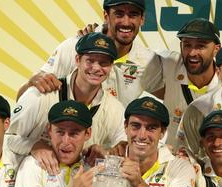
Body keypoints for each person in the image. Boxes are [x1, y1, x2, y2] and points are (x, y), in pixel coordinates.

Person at [7, 32, 126, 175]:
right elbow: (6, 138)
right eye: (90, 61)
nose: (96, 68)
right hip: (28, 181)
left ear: (111, 66)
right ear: (77, 60)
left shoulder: (114, 109)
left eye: (104, 63)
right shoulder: (40, 95)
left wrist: (106, 153)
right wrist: (32, 145)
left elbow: (125, 151)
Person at [19, 0, 158, 107]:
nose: (126, 22)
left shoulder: (147, 61)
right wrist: (31, 84)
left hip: (112, 142)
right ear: (106, 16)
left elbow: (173, 92)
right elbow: (22, 100)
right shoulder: (73, 47)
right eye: (119, 14)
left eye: (133, 15)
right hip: (65, 140)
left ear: (142, 19)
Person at [151, 18, 222, 151]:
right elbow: (136, 59)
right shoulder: (170, 63)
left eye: (201, 46)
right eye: (187, 45)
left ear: (216, 49)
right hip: (174, 161)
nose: (192, 53)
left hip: (214, 164)